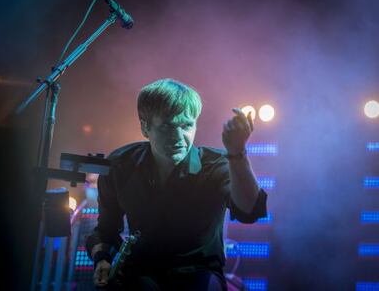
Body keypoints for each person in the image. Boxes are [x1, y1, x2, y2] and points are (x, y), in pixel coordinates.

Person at [86, 78, 267, 290]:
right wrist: (102, 259)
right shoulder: (120, 164)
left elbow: (249, 212)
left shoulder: (216, 164)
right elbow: (105, 230)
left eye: (186, 125)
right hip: (141, 273)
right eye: (167, 127)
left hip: (199, 273)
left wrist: (237, 153)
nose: (178, 137)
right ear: (145, 127)